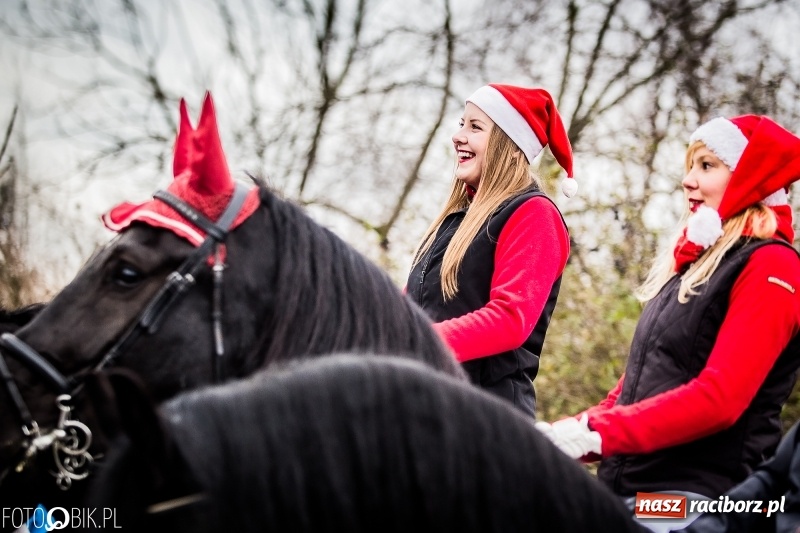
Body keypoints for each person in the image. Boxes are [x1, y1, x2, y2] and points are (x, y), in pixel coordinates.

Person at [535, 114, 800, 531]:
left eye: (707, 166)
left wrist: (597, 433)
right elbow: (632, 390)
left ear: (750, 176)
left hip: (698, 503)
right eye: (689, 167)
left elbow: (720, 399)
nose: (688, 181)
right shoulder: (693, 266)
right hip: (632, 494)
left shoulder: (771, 265)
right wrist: (563, 434)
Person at [405, 84, 574, 417]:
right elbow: (408, 305)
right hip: (427, 412)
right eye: (461, 123)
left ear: (511, 147)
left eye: (475, 127)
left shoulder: (533, 214)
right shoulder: (454, 221)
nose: (457, 136)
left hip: (486, 422)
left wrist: (415, 340)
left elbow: (510, 318)